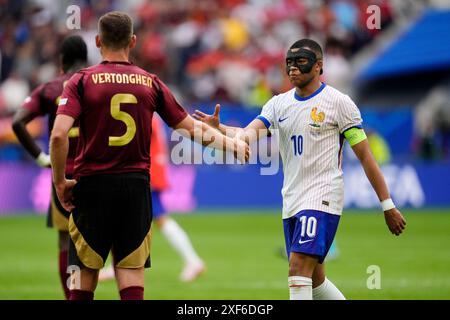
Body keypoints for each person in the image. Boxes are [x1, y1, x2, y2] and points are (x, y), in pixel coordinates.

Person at [50, 11, 248, 300]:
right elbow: (190, 128)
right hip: (135, 188)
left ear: (97, 41)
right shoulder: (151, 82)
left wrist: (60, 182)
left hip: (92, 186)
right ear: (133, 41)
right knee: (131, 275)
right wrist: (230, 145)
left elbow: (57, 136)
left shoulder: (80, 81)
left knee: (83, 276)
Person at [193, 38, 406, 300]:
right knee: (316, 282)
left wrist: (387, 205)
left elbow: (366, 158)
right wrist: (221, 128)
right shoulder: (278, 104)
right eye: (289, 63)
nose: (293, 68)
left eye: (300, 62)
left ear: (319, 66)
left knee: (296, 269)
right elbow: (247, 136)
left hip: (323, 196)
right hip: (292, 198)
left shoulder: (339, 103)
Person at [11, 35, 88, 299]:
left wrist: (41, 158)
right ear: (86, 59)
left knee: (66, 241)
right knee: (102, 239)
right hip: (98, 172)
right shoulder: (97, 83)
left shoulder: (50, 89)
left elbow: (18, 122)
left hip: (64, 175)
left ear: (62, 61)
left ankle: (71, 296)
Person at [99, 116, 205, 282]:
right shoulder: (150, 113)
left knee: (156, 218)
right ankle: (192, 261)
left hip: (145, 174)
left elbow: (136, 144)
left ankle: (193, 261)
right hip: (150, 171)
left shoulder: (143, 114)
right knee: (135, 219)